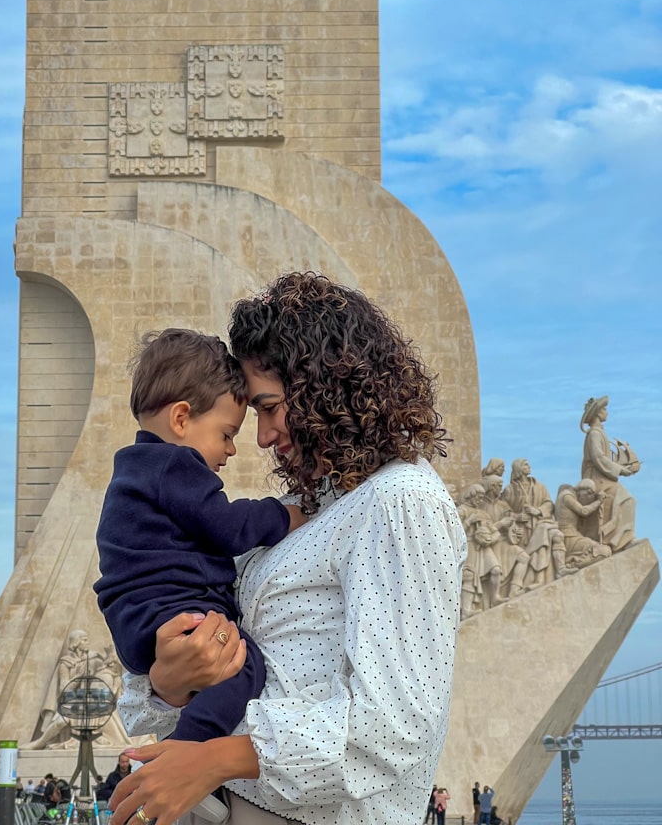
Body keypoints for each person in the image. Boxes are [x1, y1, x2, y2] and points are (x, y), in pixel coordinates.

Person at [109, 273, 467, 825]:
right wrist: (167, 683)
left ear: (329, 387)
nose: (261, 436)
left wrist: (211, 761)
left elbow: (396, 728)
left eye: (271, 407)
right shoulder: (314, 509)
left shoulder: (401, 500)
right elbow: (202, 688)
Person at [95, 328, 306, 742]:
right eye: (226, 434)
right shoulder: (173, 467)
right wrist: (283, 515)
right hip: (172, 612)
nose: (232, 450)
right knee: (245, 664)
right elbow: (228, 527)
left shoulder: (133, 472)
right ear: (181, 418)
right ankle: (188, 749)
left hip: (138, 625)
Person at [580, 395, 638, 551]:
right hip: (597, 478)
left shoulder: (598, 432)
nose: (607, 412)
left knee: (627, 500)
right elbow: (598, 457)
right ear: (598, 413)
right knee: (626, 499)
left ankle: (620, 538)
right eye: (604, 409)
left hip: (603, 476)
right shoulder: (594, 434)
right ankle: (612, 540)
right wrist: (620, 470)